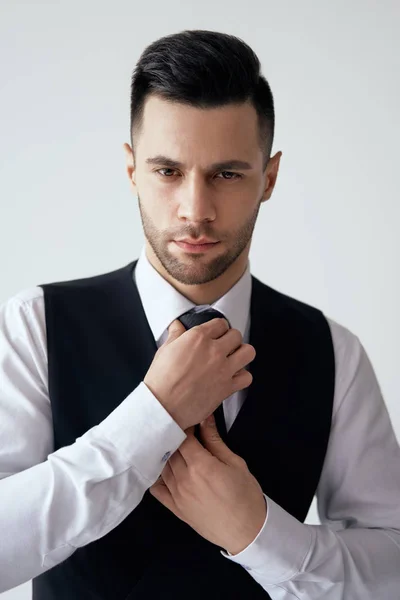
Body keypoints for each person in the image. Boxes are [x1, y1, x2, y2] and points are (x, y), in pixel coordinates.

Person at [0, 29, 399, 600]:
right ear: (131, 169)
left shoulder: (334, 353)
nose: (195, 209)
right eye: (168, 171)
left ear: (270, 177)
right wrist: (153, 414)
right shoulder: (34, 324)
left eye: (227, 174)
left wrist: (257, 532)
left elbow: (393, 567)